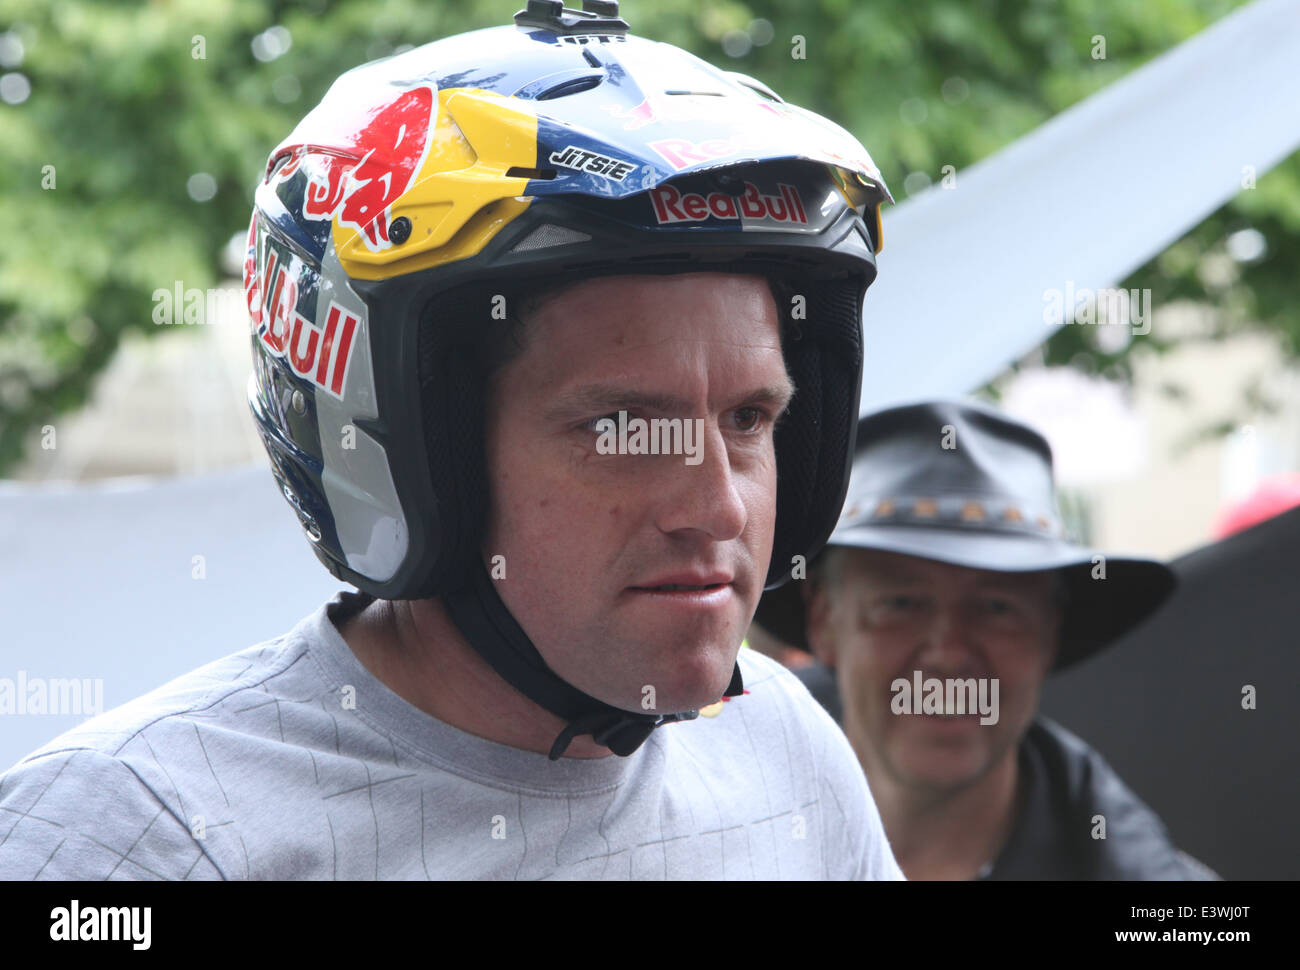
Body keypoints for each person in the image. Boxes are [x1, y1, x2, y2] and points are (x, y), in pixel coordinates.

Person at [0, 2, 904, 880]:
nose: (718, 507)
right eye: (626, 429)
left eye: (748, 420)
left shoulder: (785, 753)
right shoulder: (143, 835)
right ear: (422, 460)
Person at [753, 399, 1220, 880]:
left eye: (998, 608)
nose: (950, 655)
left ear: (1049, 634)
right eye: (902, 604)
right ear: (825, 619)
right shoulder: (699, 842)